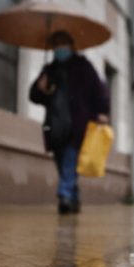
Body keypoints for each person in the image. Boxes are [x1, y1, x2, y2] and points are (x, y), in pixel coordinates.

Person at [29, 30, 109, 215]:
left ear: (71, 46)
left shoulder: (84, 67)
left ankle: (64, 197)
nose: (59, 48)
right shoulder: (49, 69)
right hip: (55, 125)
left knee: (69, 161)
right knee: (62, 163)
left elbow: (100, 90)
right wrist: (40, 89)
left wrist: (102, 111)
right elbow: (34, 96)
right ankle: (74, 197)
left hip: (77, 124)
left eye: (63, 44)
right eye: (56, 45)